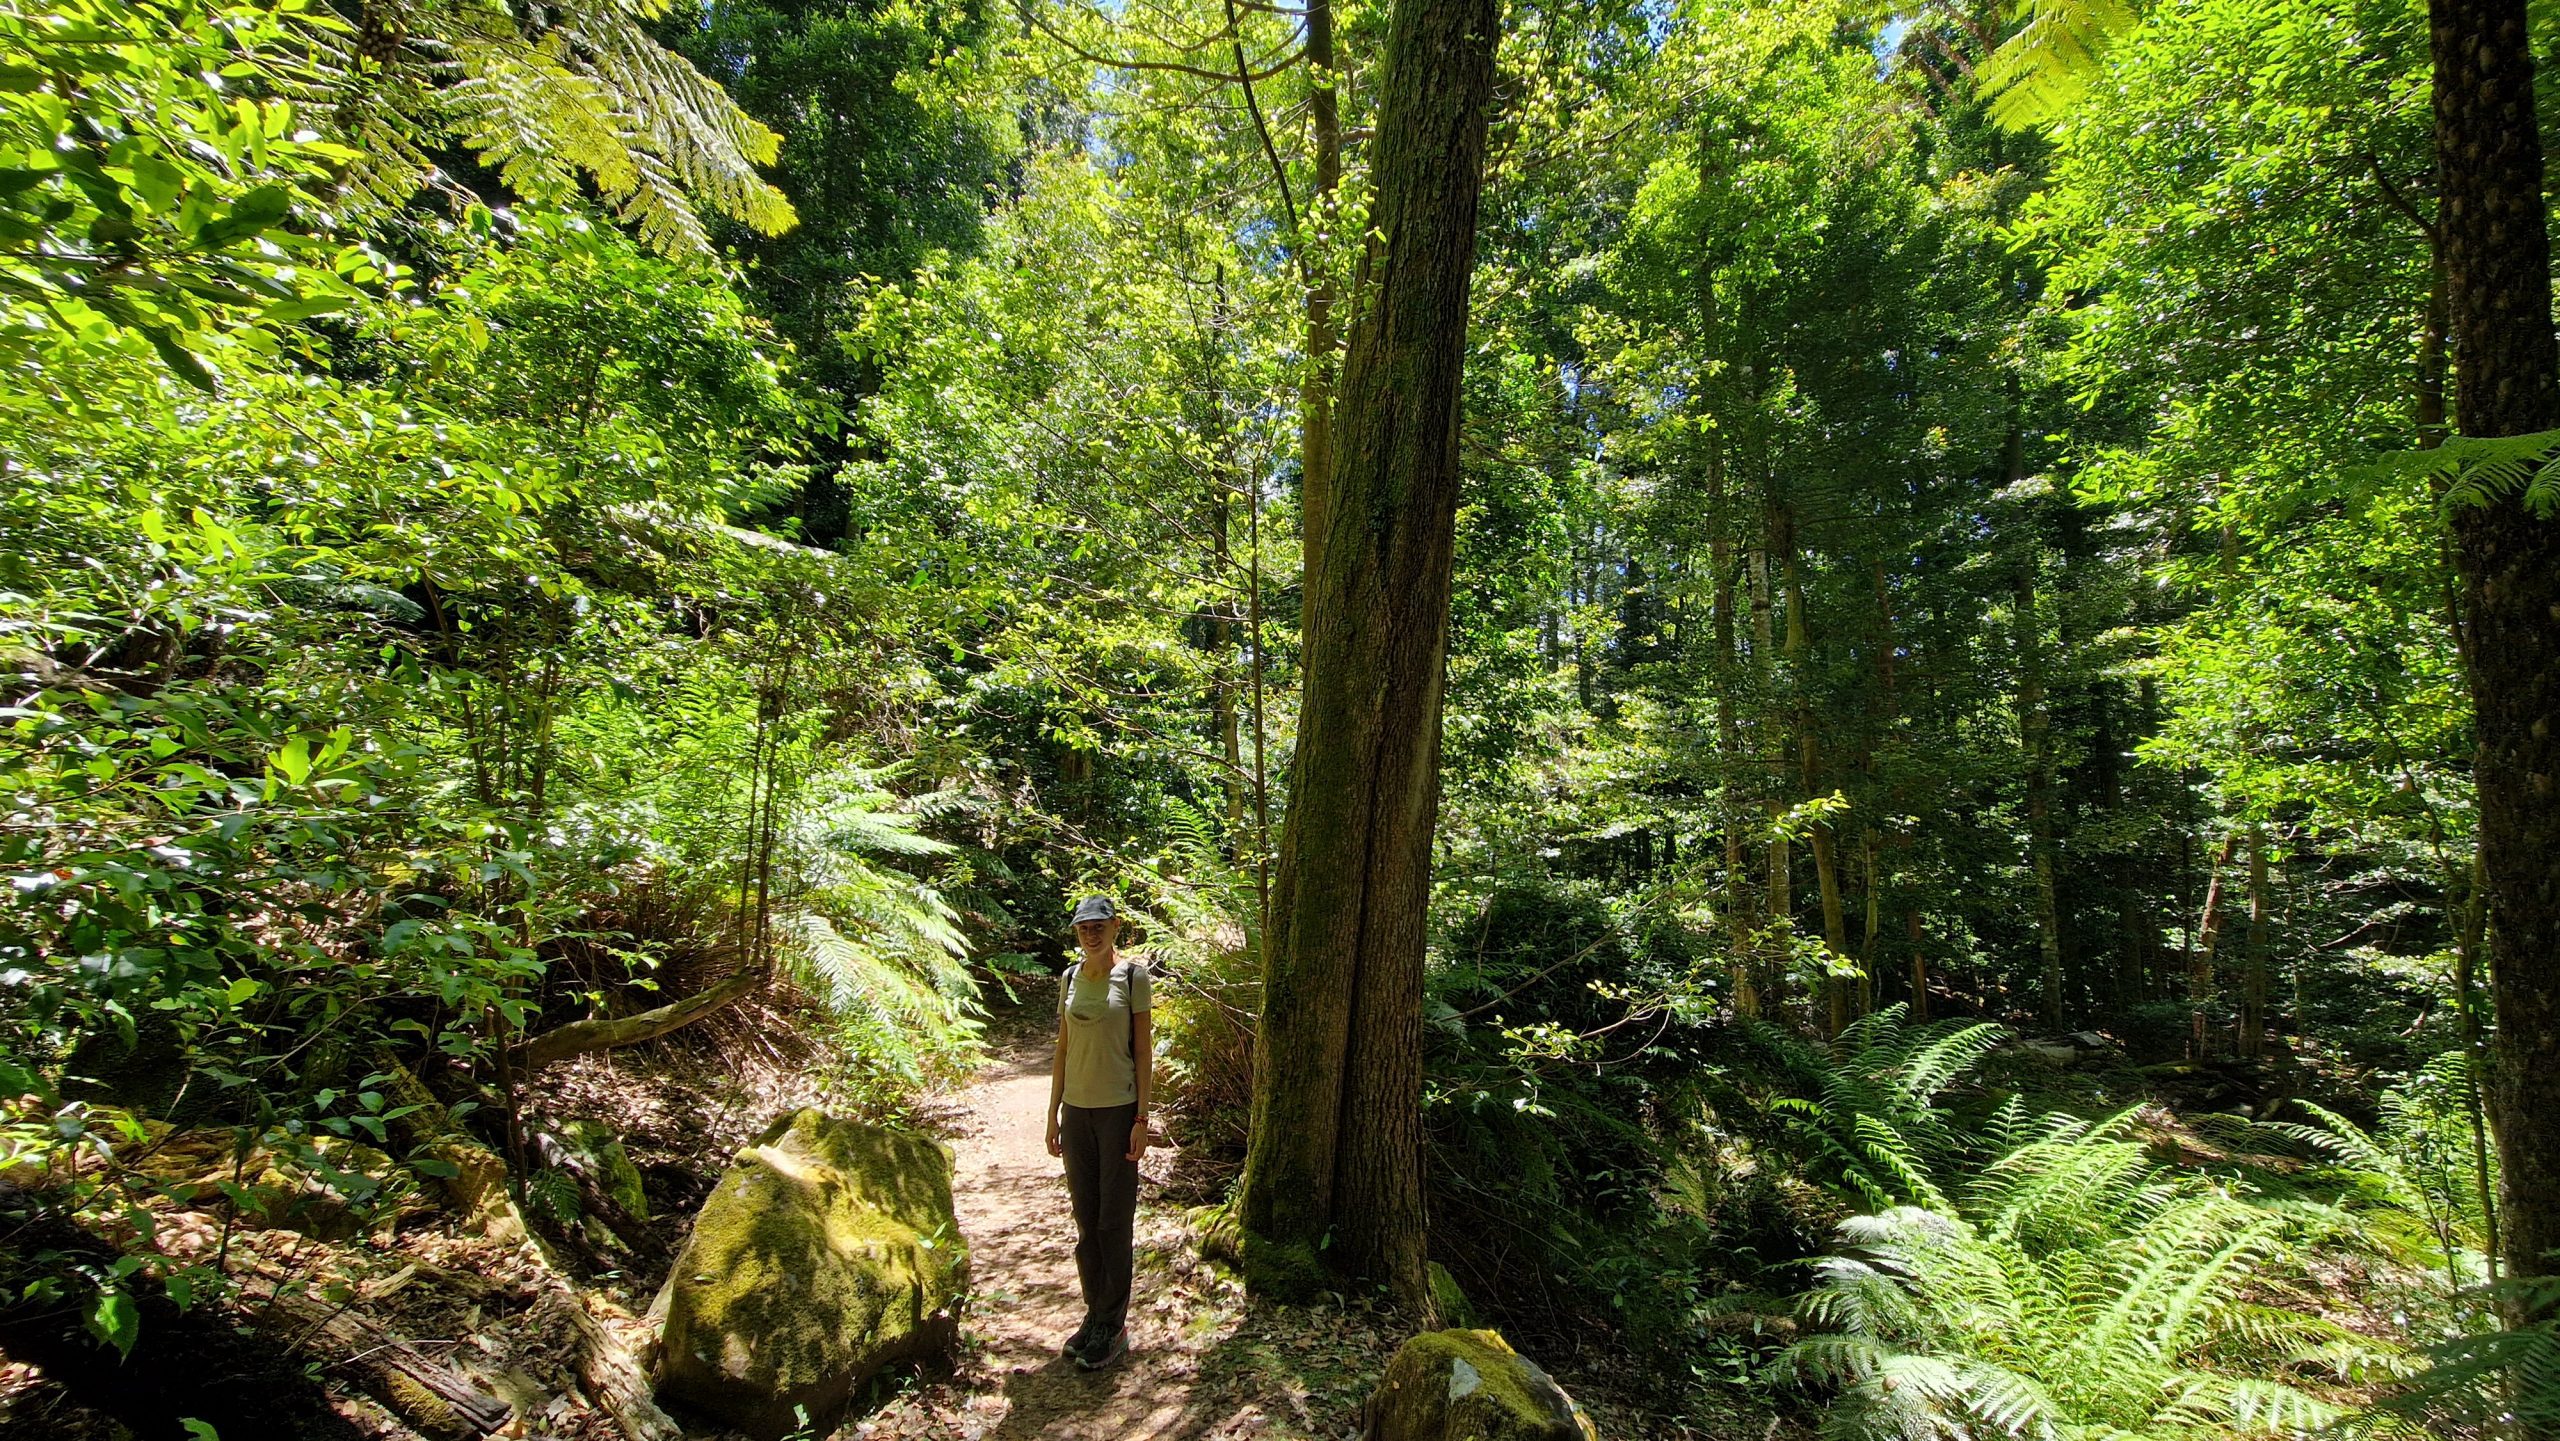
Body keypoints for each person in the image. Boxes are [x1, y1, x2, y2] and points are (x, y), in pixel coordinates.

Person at [1045, 893, 1152, 1371]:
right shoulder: (1069, 978)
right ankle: (1094, 1315)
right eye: (1084, 927)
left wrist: (1142, 1119)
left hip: (1117, 1112)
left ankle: (1113, 1323)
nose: (1091, 934)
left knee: (1114, 1220)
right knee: (1086, 1220)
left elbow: (1143, 1052)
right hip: (1077, 1112)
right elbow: (1063, 1049)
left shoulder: (1132, 977)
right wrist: (1053, 1114)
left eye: (1099, 926)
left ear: (1115, 928)